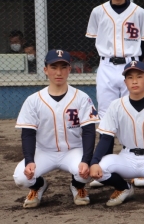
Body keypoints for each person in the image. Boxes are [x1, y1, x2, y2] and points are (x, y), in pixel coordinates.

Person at [86, 0, 144, 188]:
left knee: (133, 113)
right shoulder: (98, 12)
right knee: (106, 117)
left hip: (130, 66)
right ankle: (103, 167)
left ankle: (136, 168)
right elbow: (94, 40)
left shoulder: (138, 12)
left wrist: (135, 64)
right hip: (106, 66)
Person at [13, 50, 99, 208]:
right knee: (21, 178)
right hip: (43, 151)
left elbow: (89, 131)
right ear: (45, 70)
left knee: (87, 172)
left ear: (69, 69)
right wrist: (30, 160)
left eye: (63, 67)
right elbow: (28, 134)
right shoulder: (33, 100)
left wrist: (86, 160)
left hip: (73, 150)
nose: (58, 72)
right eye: (54, 67)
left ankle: (77, 186)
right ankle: (38, 185)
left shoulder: (82, 98)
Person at [88, 61, 144, 206]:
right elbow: (106, 138)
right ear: (125, 82)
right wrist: (94, 161)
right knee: (98, 169)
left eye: (139, 77)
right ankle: (124, 188)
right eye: (130, 77)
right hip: (126, 157)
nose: (134, 81)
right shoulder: (116, 105)